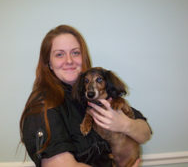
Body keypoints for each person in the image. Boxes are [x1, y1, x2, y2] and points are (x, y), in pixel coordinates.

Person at [20, 25, 151, 167]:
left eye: (75, 53)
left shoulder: (89, 94)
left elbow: (145, 133)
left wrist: (125, 124)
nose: (69, 60)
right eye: (59, 54)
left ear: (84, 57)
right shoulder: (43, 105)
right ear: (49, 63)